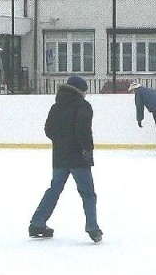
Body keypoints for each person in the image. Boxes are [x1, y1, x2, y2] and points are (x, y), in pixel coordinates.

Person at [29, 75, 102, 243]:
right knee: (88, 193)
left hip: (60, 156)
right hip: (78, 156)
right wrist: (87, 150)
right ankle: (92, 227)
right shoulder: (83, 106)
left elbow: (48, 130)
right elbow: (84, 130)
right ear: (80, 91)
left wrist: (62, 141)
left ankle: (37, 223)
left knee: (54, 190)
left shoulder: (56, 106)